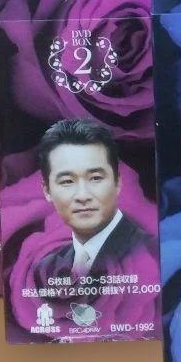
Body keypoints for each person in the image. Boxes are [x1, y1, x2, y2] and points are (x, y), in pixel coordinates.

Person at [31, 119, 156, 289]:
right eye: (67, 181)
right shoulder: (51, 263)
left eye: (95, 178)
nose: (83, 196)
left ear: (118, 182)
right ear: (47, 190)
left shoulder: (150, 251)